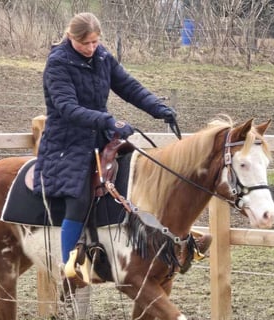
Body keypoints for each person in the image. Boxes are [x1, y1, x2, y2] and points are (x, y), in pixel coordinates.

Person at [33, 12, 180, 278]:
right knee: (79, 197)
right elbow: (67, 107)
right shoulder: (57, 64)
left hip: (100, 138)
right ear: (70, 37)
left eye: (95, 42)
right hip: (67, 141)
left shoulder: (102, 56)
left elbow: (128, 86)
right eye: (85, 43)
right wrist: (108, 121)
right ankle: (70, 267)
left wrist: (159, 110)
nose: (91, 48)